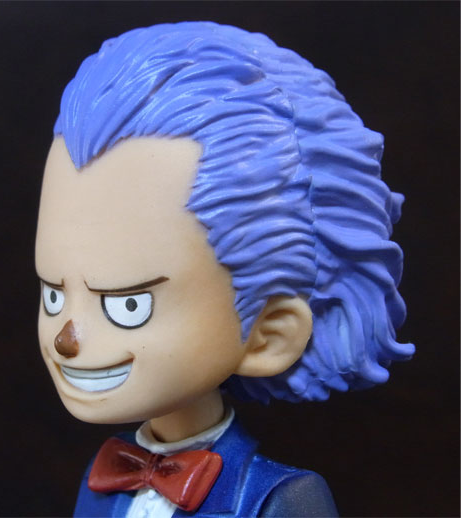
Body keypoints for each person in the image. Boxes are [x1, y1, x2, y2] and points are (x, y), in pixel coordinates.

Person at [35, 22, 413, 517]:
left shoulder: (279, 500)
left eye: (128, 305)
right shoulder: (102, 482)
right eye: (53, 295)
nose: (66, 338)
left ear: (269, 333)